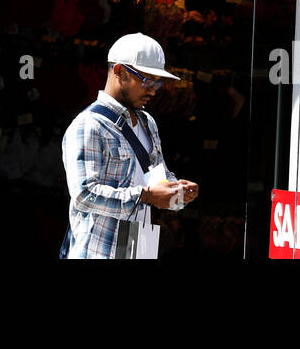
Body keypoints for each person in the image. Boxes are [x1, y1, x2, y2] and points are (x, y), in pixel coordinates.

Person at [61, 33, 199, 258]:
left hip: (137, 247)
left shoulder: (147, 122)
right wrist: (146, 196)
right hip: (98, 253)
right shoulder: (89, 125)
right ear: (119, 72)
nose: (153, 90)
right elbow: (84, 194)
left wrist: (176, 193)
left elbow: (157, 177)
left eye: (158, 82)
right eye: (147, 80)